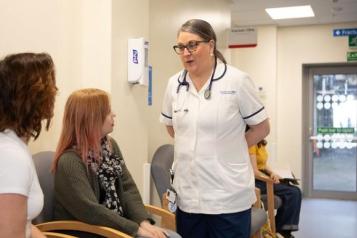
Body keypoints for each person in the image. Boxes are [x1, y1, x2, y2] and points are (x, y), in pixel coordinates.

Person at [160, 19, 270, 238]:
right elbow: (173, 129)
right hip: (188, 198)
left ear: (211, 46)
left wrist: (228, 146)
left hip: (228, 198)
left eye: (193, 45)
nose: (186, 53)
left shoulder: (236, 81)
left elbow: (262, 127)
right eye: (181, 47)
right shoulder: (175, 84)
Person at [52, 88, 180, 238]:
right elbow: (91, 211)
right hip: (89, 232)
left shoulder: (110, 146)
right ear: (91, 118)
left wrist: (143, 222)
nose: (113, 114)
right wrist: (135, 229)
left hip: (114, 227)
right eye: (107, 111)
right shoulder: (69, 162)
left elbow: (127, 188)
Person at [0, 52, 57, 237]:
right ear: (32, 96)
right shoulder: (11, 157)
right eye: (50, 86)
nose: (56, 90)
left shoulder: (15, 145)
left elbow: (24, 223)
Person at [248, 139, 302, 238]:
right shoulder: (251, 144)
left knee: (295, 191)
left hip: (263, 176)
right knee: (293, 192)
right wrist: (269, 179)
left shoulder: (260, 143)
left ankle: (282, 230)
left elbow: (263, 165)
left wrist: (272, 173)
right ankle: (282, 230)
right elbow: (255, 171)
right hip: (256, 181)